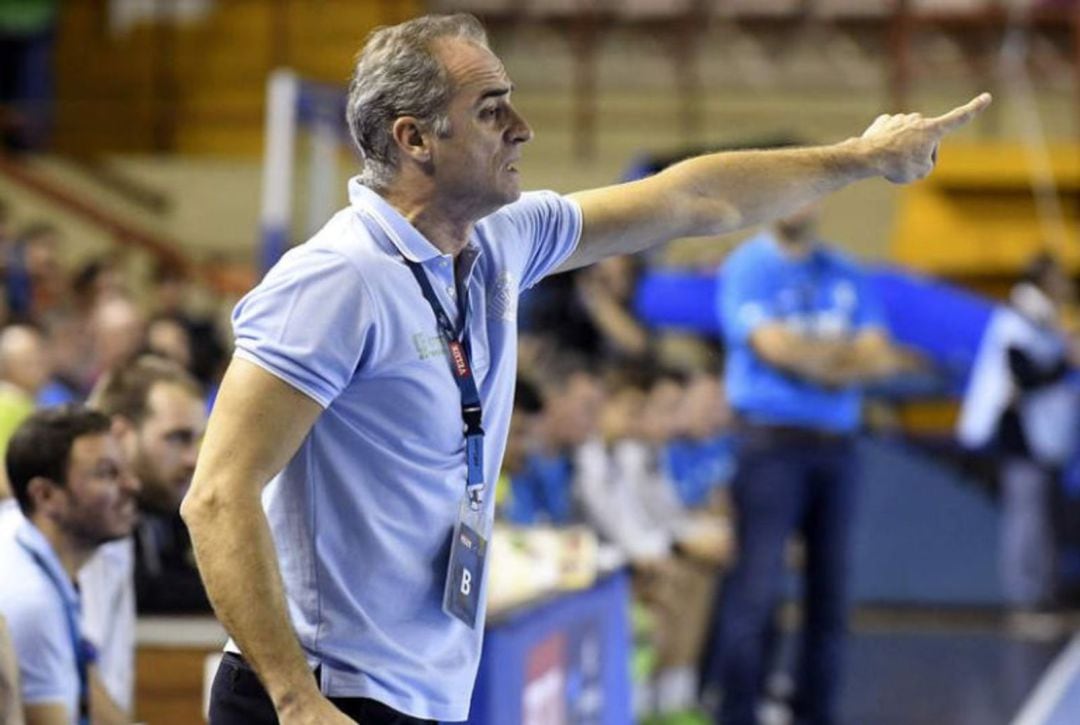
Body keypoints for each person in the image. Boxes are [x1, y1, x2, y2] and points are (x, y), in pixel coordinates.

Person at [178, 12, 990, 724]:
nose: (522, 127)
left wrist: (861, 156)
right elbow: (217, 495)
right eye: (491, 110)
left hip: (419, 684)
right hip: (326, 693)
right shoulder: (336, 279)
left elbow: (694, 198)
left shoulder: (499, 243)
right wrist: (295, 700)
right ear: (414, 138)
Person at [709, 204, 921, 725]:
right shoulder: (748, 267)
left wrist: (812, 358)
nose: (798, 205)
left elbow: (879, 356)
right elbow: (773, 349)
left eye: (810, 194)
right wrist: (838, 360)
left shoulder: (847, 270)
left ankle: (816, 713)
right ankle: (737, 713)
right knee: (755, 592)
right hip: (770, 446)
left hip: (837, 448)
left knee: (830, 596)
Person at [0, 406, 138, 725]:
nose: (132, 485)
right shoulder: (32, 600)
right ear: (46, 496)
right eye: (106, 473)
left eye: (125, 470)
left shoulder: (40, 567)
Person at [958, 253, 1080, 612]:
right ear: (1042, 281)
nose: (1065, 285)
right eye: (1058, 279)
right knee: (1025, 520)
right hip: (1022, 437)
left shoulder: (1045, 321)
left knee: (1043, 520)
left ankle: (1043, 592)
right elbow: (1025, 375)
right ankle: (1024, 599)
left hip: (1047, 437)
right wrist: (1065, 362)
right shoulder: (1016, 321)